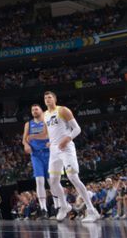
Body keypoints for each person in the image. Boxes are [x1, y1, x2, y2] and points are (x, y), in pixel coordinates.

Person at [43, 91, 100, 223]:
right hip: (54, 150)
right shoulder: (45, 115)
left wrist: (67, 139)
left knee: (73, 177)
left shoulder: (63, 110)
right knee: (52, 181)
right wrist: (50, 141)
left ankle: (92, 211)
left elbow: (77, 129)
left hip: (66, 148)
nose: (47, 99)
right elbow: (51, 132)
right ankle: (64, 206)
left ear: (55, 99)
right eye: (45, 98)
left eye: (49, 97)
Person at [22, 104, 51, 218]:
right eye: (32, 109)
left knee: (52, 181)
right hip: (36, 155)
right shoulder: (28, 124)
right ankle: (43, 208)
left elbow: (51, 134)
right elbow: (24, 139)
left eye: (36, 109)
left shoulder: (47, 121)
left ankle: (58, 205)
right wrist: (25, 145)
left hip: (49, 153)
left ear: (41, 110)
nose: (34, 111)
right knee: (39, 181)